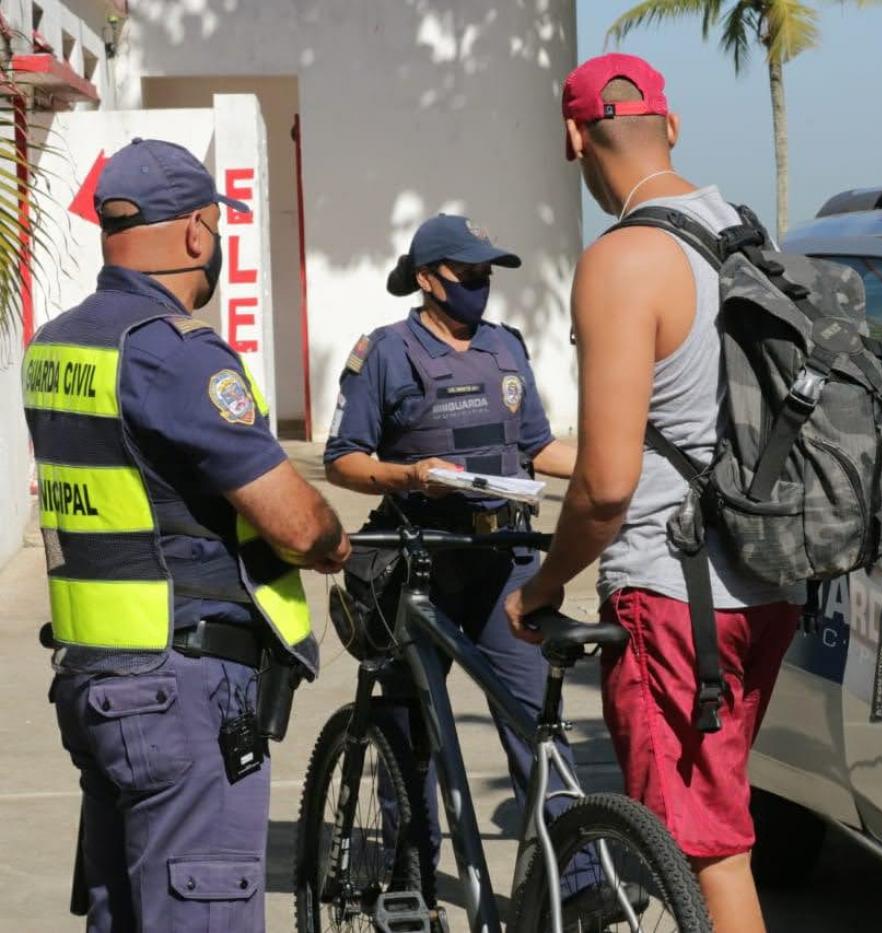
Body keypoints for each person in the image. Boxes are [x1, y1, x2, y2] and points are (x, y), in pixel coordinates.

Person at [505, 53, 803, 933]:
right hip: (767, 579)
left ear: (573, 138)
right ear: (672, 126)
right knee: (719, 829)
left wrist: (543, 584)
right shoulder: (744, 235)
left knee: (703, 853)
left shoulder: (625, 259)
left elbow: (604, 484)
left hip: (676, 599)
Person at [23, 138, 349, 932]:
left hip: (96, 683)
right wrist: (337, 545)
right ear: (198, 232)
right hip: (182, 689)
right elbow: (296, 523)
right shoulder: (172, 353)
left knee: (125, 912)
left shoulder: (56, 345)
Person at [325, 213, 627, 922]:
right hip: (420, 565)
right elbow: (343, 458)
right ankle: (413, 885)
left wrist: (609, 465)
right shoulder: (386, 353)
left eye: (488, 275)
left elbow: (538, 446)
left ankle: (578, 883)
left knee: (536, 726)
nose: (481, 288)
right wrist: (407, 476)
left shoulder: (505, 348)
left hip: (503, 564)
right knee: (410, 744)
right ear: (428, 280)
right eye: (467, 276)